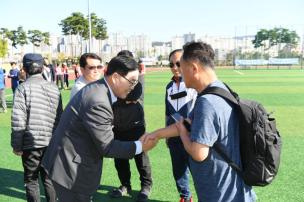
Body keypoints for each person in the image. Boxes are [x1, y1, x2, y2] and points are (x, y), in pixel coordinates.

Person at [144, 41, 256, 202]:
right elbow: (189, 122)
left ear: (194, 68)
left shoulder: (206, 102)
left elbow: (198, 153)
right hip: (236, 189)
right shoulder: (222, 89)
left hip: (221, 194)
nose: (179, 72)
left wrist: (183, 134)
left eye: (181, 67)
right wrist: (155, 134)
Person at [41, 55, 156, 202]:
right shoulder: (98, 100)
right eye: (132, 81)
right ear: (115, 77)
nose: (134, 86)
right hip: (71, 170)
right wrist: (141, 146)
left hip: (70, 162)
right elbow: (107, 147)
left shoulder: (99, 89)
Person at [11, 53, 63, 202]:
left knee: (31, 180)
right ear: (42, 67)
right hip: (51, 142)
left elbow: (18, 120)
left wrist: (16, 145)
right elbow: (60, 117)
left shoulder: (22, 88)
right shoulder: (54, 88)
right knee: (49, 179)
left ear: (25, 68)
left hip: (31, 144)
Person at [110, 50, 152, 202]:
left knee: (141, 159)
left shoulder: (136, 79)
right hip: (118, 127)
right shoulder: (115, 80)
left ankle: (146, 186)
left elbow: (133, 96)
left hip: (136, 127)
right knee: (120, 160)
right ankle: (125, 185)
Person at [165, 49, 197, 202]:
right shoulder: (169, 87)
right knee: (178, 170)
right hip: (174, 136)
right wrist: (166, 134)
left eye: (178, 63)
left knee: (198, 171)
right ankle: (185, 197)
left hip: (192, 136)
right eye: (171, 64)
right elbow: (168, 112)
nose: (175, 67)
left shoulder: (194, 85)